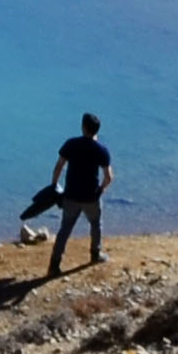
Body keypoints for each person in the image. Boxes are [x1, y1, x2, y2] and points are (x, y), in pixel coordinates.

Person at [26, 114, 111, 274]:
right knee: (95, 225)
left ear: (83, 127)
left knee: (65, 229)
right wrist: (101, 189)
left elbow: (58, 167)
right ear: (96, 130)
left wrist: (53, 186)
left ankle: (54, 265)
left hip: (71, 195)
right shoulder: (101, 150)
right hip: (91, 197)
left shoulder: (71, 144)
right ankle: (95, 254)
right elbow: (108, 177)